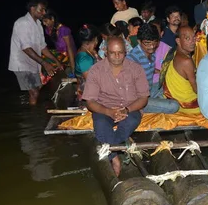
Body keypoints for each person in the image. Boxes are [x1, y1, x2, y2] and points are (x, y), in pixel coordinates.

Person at [83, 37, 150, 176]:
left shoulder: (135, 69)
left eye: (120, 52)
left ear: (125, 52)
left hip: (128, 107)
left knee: (131, 121)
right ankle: (115, 158)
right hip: (104, 107)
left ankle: (111, 151)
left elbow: (143, 97)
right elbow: (90, 101)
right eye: (113, 53)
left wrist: (126, 109)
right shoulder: (96, 70)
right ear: (105, 52)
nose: (117, 56)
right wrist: (108, 111)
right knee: (100, 124)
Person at [8, 0, 64, 105]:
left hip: (33, 63)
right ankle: (32, 117)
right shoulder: (22, 23)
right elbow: (26, 48)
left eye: (44, 10)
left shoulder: (38, 24)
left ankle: (31, 111)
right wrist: (45, 63)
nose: (44, 13)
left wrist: (56, 61)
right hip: (22, 63)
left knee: (36, 90)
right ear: (32, 8)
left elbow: (42, 47)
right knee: (34, 92)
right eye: (41, 9)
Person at [127, 23, 179, 113]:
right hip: (137, 99)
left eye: (155, 43)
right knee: (174, 106)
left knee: (172, 85)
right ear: (139, 41)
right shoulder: (133, 59)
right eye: (147, 43)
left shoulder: (152, 52)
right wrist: (138, 107)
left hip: (149, 91)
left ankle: (158, 101)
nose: (152, 47)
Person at [161, 26, 200, 114]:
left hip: (170, 96)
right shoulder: (186, 61)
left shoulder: (171, 52)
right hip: (186, 103)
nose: (192, 42)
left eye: (194, 38)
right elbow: (196, 90)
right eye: (187, 38)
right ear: (178, 41)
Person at [42, 9, 77, 74]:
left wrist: (73, 66)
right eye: (43, 21)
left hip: (69, 55)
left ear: (52, 19)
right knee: (43, 59)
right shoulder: (48, 30)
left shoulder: (63, 30)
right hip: (60, 54)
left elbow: (69, 48)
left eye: (45, 21)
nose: (44, 24)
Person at [74, 24, 100, 102]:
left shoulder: (88, 51)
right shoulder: (84, 58)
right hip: (88, 94)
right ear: (95, 39)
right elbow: (91, 81)